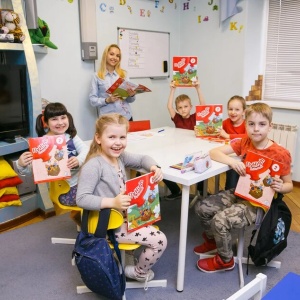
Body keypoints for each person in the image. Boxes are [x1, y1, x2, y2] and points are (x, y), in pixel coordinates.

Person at [194, 103, 293, 273]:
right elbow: (214, 152)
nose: (256, 129)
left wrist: (281, 186)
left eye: (262, 124)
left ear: (270, 126)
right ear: (245, 124)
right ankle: (213, 241)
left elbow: (289, 185)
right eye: (251, 124)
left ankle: (225, 260)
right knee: (202, 208)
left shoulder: (280, 153)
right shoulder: (244, 142)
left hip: (260, 204)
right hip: (240, 192)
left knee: (220, 220)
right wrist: (233, 162)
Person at [76, 113, 167, 283]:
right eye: (111, 137)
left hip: (124, 216)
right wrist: (113, 202)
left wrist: (154, 167)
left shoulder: (120, 157)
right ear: (98, 138)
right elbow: (81, 199)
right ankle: (138, 273)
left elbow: (142, 159)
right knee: (160, 240)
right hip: (108, 225)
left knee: (150, 222)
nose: (118, 142)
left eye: (122, 137)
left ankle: (127, 259)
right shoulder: (94, 165)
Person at [17, 102, 88, 225]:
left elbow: (86, 150)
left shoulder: (70, 136)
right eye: (54, 119)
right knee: (101, 194)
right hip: (66, 191)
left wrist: (78, 160)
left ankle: (90, 224)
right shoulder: (42, 143)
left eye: (63, 117)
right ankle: (92, 229)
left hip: (83, 183)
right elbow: (33, 170)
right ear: (46, 122)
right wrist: (21, 164)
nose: (60, 122)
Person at [164, 80, 206, 200]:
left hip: (195, 150)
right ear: (177, 109)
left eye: (186, 106)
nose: (183, 110)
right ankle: (176, 190)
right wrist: (172, 90)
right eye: (180, 107)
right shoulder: (177, 118)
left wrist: (198, 88)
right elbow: (169, 106)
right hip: (179, 150)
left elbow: (203, 105)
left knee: (201, 164)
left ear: (191, 107)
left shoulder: (195, 117)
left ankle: (200, 191)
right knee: (165, 165)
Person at [89, 44, 136, 120]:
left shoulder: (123, 75)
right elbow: (92, 100)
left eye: (118, 56)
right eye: (112, 54)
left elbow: (130, 100)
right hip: (107, 119)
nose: (115, 58)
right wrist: (107, 100)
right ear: (106, 55)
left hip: (125, 117)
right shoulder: (97, 76)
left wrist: (132, 95)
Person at [218, 95, 247, 190]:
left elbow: (247, 136)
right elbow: (217, 133)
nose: (233, 112)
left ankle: (233, 191)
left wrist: (228, 136)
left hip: (243, 157)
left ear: (244, 112)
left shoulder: (247, 124)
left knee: (235, 174)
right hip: (229, 154)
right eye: (230, 109)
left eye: (237, 109)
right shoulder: (226, 123)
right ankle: (228, 191)